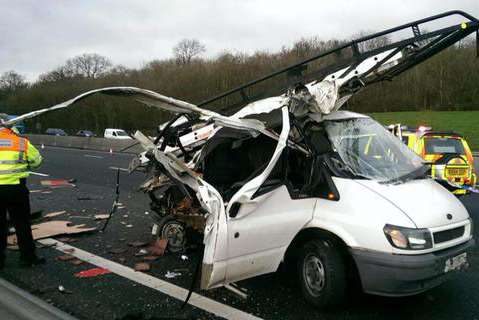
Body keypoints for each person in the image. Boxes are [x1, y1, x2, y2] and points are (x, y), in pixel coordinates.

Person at [0, 114, 44, 269]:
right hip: (16, 189)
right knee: (22, 224)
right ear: (10, 126)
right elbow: (37, 161)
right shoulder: (21, 142)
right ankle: (27, 258)